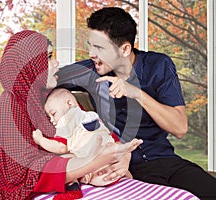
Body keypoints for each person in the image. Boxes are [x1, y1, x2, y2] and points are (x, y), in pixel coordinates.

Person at [56, 7, 216, 200]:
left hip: (165, 161)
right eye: (91, 46)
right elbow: (41, 80)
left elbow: (180, 127)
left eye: (99, 48)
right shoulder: (89, 71)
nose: (91, 53)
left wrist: (136, 93)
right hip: (121, 169)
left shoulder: (159, 65)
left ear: (124, 49)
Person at [0, 30, 139, 200]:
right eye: (48, 57)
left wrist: (122, 155)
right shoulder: (5, 111)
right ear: (28, 64)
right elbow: (24, 176)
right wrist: (94, 161)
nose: (57, 63)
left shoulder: (53, 98)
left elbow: (91, 129)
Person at [32, 88, 142, 188]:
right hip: (109, 153)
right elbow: (109, 135)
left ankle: (87, 176)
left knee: (67, 157)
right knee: (120, 160)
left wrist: (40, 140)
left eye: (53, 114)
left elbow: (60, 147)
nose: (52, 120)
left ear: (69, 104)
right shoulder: (91, 115)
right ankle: (129, 177)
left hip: (93, 159)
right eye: (49, 117)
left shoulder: (65, 122)